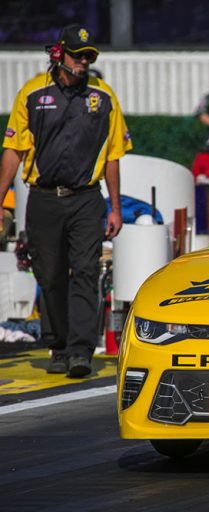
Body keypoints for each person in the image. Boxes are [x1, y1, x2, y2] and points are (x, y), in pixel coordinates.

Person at [0, 24, 132, 377]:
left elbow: (113, 156)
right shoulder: (32, 93)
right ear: (59, 54)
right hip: (43, 199)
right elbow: (13, 149)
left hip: (87, 199)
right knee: (50, 274)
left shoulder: (103, 96)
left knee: (86, 271)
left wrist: (116, 208)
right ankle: (58, 345)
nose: (83, 62)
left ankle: (80, 351)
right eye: (77, 55)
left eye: (88, 56)